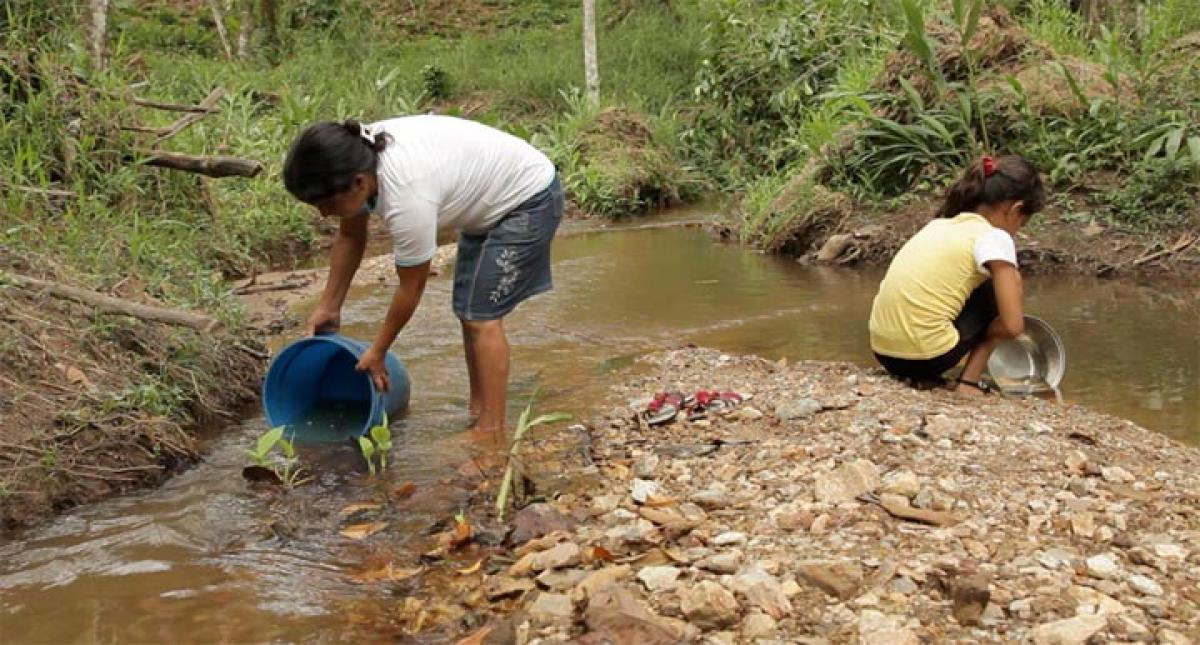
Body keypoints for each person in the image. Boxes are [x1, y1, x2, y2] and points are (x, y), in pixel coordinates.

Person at [282, 115, 563, 432]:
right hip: (487, 197)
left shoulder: (407, 198)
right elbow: (350, 236)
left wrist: (378, 351)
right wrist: (329, 305)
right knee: (468, 310)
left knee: (481, 317)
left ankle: (490, 434)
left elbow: (411, 287)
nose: (323, 213)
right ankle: (478, 411)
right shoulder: (356, 155)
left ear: (359, 183)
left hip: (527, 199)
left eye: (325, 203)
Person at [868, 155, 1046, 395]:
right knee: (1004, 285)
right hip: (926, 357)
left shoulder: (939, 225)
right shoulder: (994, 237)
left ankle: (946, 370)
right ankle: (969, 383)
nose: (1017, 231)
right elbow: (1013, 327)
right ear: (1015, 209)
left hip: (883, 352)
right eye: (1022, 223)